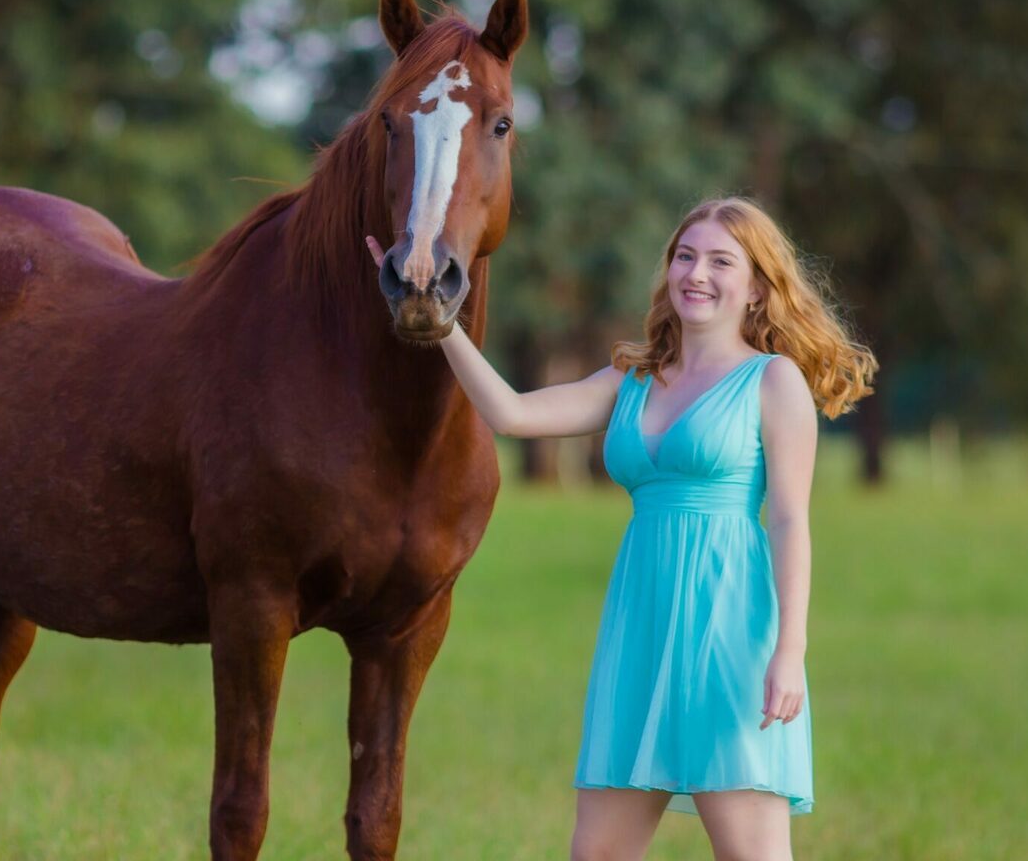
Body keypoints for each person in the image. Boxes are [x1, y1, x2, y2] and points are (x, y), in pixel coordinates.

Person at [367, 196, 877, 861]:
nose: (696, 273)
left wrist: (789, 652)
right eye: (685, 256)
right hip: (638, 628)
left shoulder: (772, 382)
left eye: (721, 262)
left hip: (731, 632)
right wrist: (435, 314)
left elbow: (788, 521)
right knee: (598, 854)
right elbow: (513, 413)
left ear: (757, 288)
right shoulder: (633, 378)